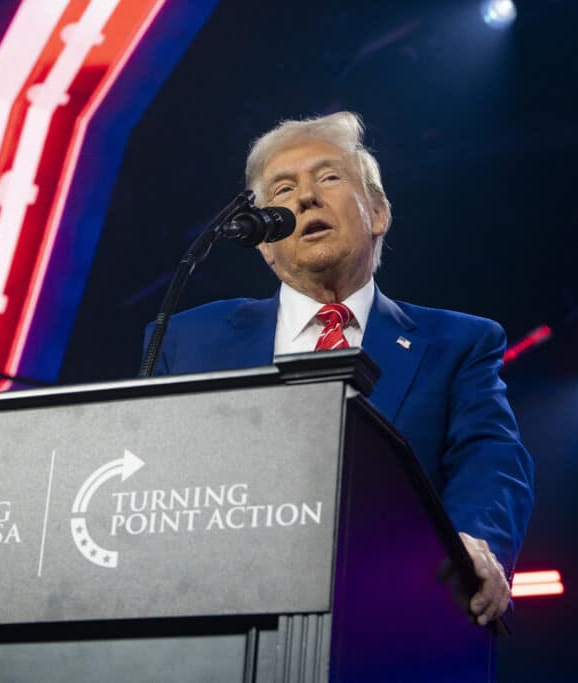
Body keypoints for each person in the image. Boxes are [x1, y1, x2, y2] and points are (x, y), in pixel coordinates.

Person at [148, 112, 533, 626]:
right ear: (264, 241)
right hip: (220, 619)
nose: (305, 197)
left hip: (391, 615)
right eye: (282, 189)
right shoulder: (187, 339)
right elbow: (152, 482)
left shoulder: (459, 343)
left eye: (328, 177)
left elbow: (493, 459)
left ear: (377, 213)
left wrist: (473, 543)